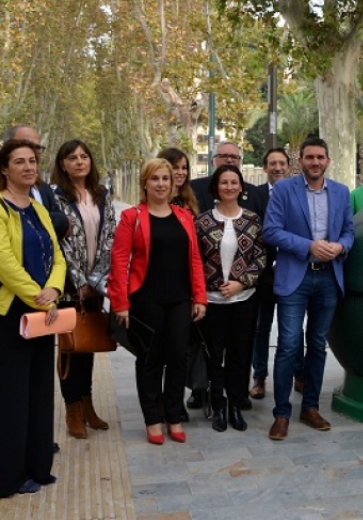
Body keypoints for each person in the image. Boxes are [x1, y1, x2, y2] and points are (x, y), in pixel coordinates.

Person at [0, 138, 66, 498]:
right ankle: (8, 478)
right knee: (10, 399)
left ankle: (37, 467)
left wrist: (54, 289)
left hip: (44, 312)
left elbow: (57, 255)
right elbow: (4, 264)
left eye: (32, 161)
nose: (29, 167)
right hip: (9, 316)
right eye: (19, 161)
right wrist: (38, 297)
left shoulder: (38, 208)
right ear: (4, 169)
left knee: (40, 393)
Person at [109, 158, 207, 445]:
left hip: (180, 299)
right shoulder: (132, 217)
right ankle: (152, 418)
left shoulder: (184, 216)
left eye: (166, 178)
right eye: (155, 179)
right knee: (150, 360)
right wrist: (120, 303)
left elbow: (194, 259)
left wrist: (200, 297)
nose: (161, 184)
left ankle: (173, 416)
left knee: (178, 358)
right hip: (145, 299)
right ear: (145, 183)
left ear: (173, 183)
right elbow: (119, 262)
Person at [262, 137, 354, 441]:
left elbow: (349, 231)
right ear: (300, 160)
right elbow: (271, 231)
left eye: (320, 157)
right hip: (294, 279)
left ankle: (310, 408)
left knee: (316, 345)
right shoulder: (284, 190)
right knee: (288, 345)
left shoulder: (341, 192)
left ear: (328, 161)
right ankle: (281, 414)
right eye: (310, 157)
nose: (315, 162)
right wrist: (309, 246)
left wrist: (340, 247)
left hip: (328, 278)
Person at [188, 141, 265, 411]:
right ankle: (217, 401)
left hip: (244, 298)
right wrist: (204, 291)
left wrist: (241, 282)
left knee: (239, 353)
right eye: (224, 183)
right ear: (215, 187)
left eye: (234, 183)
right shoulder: (203, 222)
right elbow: (195, 261)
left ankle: (237, 399)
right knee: (214, 353)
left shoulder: (252, 220)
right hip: (212, 300)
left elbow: (261, 257)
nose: (229, 187)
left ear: (241, 187)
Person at [51, 139, 118, 440]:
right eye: (72, 158)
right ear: (62, 165)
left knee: (88, 343)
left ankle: (88, 404)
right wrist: (79, 282)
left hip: (96, 283)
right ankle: (73, 409)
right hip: (68, 286)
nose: (79, 162)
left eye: (84, 157)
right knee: (70, 347)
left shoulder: (102, 195)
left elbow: (110, 237)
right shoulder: (55, 199)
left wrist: (96, 280)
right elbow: (59, 245)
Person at [0, 125, 69, 238]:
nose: (33, 151)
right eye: (26, 145)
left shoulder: (44, 187)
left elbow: (62, 223)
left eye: (37, 148)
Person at [250, 147, 289, 400]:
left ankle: (298, 374)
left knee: (291, 329)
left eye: (281, 163)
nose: (277, 167)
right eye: (272, 163)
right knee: (261, 328)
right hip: (262, 274)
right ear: (265, 167)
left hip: (290, 271)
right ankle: (259, 377)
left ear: (288, 166)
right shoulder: (256, 195)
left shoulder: (297, 193)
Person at [158, 147, 201, 217]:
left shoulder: (190, 198)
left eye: (184, 168)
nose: (180, 172)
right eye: (175, 168)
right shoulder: (157, 200)